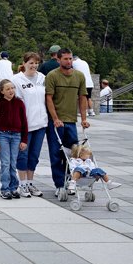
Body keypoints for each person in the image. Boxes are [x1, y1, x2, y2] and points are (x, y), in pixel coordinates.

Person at [44, 48, 90, 197]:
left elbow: (82, 98)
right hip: (56, 122)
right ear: (58, 60)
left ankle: (72, 181)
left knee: (73, 154)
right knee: (56, 154)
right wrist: (55, 118)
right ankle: (59, 184)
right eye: (65, 59)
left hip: (71, 121)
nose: (69, 61)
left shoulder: (79, 76)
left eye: (70, 59)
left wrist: (83, 118)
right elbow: (49, 98)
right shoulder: (52, 76)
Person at [10, 52, 48, 197]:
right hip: (24, 124)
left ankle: (30, 182)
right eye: (31, 63)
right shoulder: (16, 80)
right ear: (24, 63)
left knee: (34, 155)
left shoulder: (43, 78)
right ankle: (22, 184)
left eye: (36, 63)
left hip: (41, 123)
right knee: (23, 155)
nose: (33, 65)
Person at [0, 79, 28, 199]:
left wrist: (24, 140)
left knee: (13, 163)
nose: (11, 90)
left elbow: (24, 122)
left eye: (12, 88)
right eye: (8, 89)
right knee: (5, 163)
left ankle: (13, 188)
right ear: (2, 91)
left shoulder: (19, 103)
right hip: (3, 135)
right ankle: (5, 188)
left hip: (16, 135)